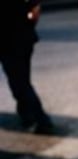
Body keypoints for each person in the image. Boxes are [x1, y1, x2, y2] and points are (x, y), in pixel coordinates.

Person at [0, 0, 54, 134]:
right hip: (24, 38)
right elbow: (35, 9)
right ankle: (25, 114)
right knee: (22, 80)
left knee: (20, 84)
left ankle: (41, 119)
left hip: (9, 44)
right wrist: (28, 24)